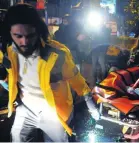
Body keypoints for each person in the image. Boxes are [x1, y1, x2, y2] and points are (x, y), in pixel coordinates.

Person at [1, 4, 99, 142]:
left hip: (53, 110)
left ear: (38, 31)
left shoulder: (57, 54)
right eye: (18, 36)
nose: (24, 42)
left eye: (30, 35)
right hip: (26, 109)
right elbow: (8, 75)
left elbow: (76, 79)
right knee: (17, 137)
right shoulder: (9, 52)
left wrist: (90, 103)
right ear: (9, 33)